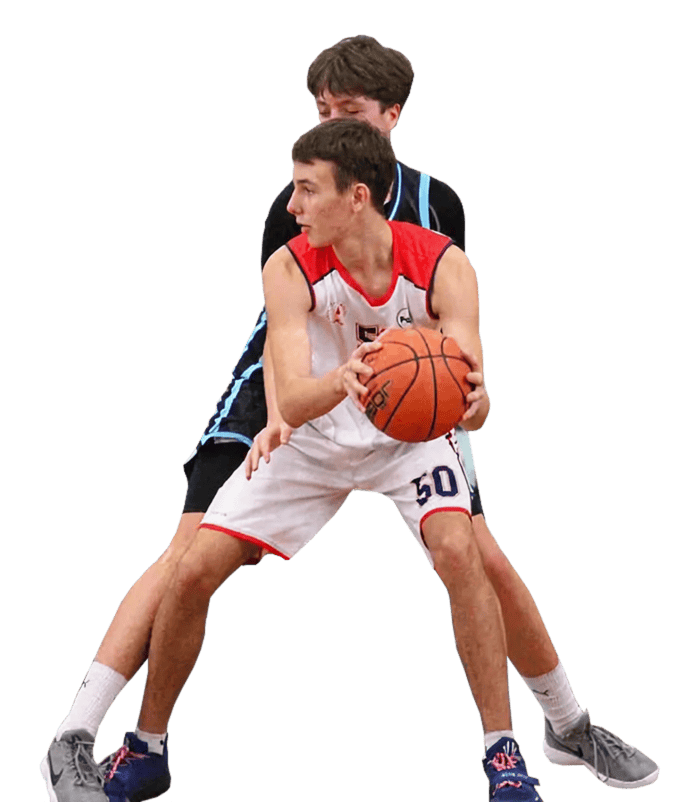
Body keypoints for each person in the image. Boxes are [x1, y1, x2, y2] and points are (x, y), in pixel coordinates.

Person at [41, 36, 658, 802]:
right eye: (322, 109)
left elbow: (449, 339)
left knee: (478, 556)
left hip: (401, 394)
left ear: (391, 116)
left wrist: (468, 396)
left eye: (349, 110)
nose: (332, 122)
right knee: (187, 556)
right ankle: (79, 736)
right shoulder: (295, 209)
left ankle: (564, 727)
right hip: (293, 384)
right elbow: (286, 333)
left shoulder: (437, 212)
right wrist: (283, 414)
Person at [133, 118, 546, 801]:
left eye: (306, 190)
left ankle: (502, 752)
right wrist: (343, 381)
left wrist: (475, 403)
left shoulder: (445, 264)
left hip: (410, 440)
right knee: (194, 569)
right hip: (315, 436)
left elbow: (472, 399)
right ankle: (147, 748)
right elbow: (292, 401)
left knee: (460, 551)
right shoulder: (288, 266)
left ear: (357, 197)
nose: (292, 205)